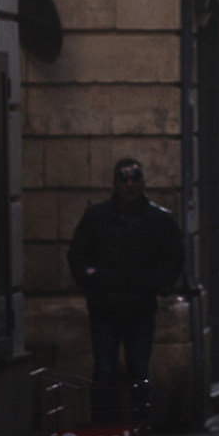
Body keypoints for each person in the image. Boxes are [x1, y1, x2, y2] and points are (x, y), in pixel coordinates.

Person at [68, 158, 184, 419]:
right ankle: (104, 435)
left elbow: (174, 257)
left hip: (140, 307)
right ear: (115, 184)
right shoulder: (95, 217)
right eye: (124, 179)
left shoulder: (159, 219)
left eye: (134, 179)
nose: (129, 185)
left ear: (143, 182)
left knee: (139, 371)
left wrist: (159, 284)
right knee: (104, 370)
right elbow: (77, 255)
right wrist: (92, 280)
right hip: (104, 308)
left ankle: (139, 433)